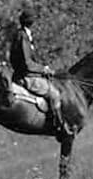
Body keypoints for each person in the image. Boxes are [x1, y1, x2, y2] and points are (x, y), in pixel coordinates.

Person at [8, 8, 74, 137]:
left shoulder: (23, 35)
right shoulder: (22, 37)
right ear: (31, 22)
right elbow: (27, 63)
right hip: (27, 77)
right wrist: (44, 69)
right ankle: (59, 126)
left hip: (28, 74)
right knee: (54, 94)